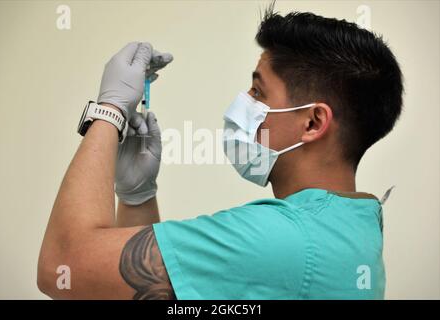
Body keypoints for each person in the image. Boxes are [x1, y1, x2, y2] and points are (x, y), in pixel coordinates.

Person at [37, 3, 403, 300]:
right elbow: (132, 289)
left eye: (258, 92)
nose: (242, 103)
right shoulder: (350, 226)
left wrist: (109, 111)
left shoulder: (282, 240)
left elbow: (63, 266)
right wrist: (137, 197)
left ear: (312, 122)